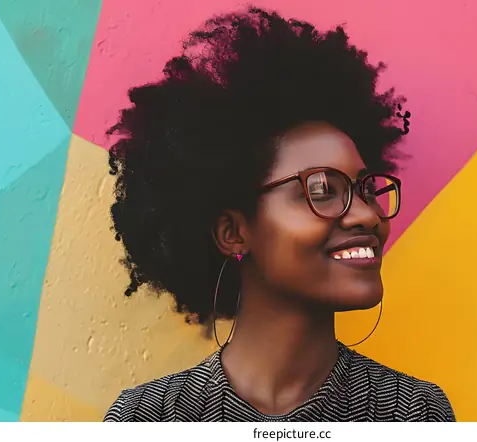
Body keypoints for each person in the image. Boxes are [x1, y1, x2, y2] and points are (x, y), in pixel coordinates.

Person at [103, 6, 455, 422]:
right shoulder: (149, 419)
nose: (367, 216)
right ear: (233, 232)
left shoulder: (412, 413)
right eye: (322, 188)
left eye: (365, 189)